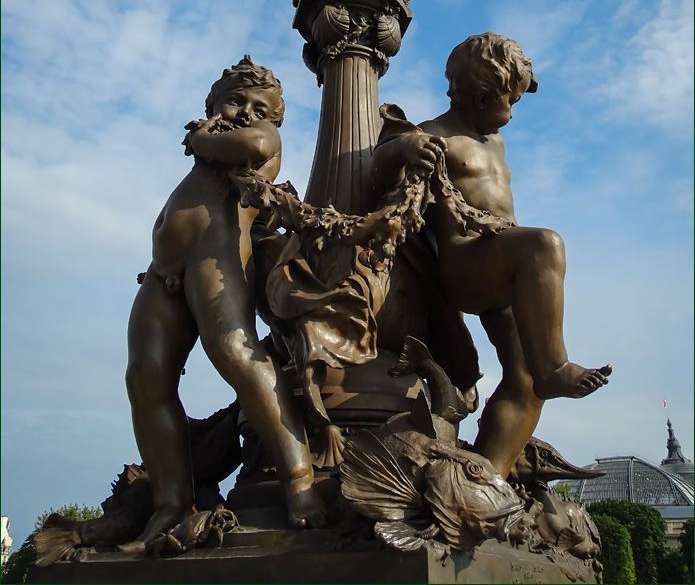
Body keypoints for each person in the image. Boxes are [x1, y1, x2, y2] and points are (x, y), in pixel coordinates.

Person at [371, 33, 611, 477]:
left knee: (525, 380)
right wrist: (403, 148)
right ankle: (555, 365)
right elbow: (375, 165)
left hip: (507, 265)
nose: (512, 113)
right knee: (546, 243)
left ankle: (487, 480)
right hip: (465, 264)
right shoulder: (434, 135)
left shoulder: (494, 143)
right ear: (482, 95)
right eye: (510, 101)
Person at [122, 56, 325, 550]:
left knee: (236, 351)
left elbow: (253, 143)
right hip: (162, 276)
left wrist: (199, 138)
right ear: (211, 104)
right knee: (145, 376)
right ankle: (172, 502)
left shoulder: (255, 146)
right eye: (235, 100)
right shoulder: (206, 161)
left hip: (214, 264)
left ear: (274, 121)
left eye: (261, 108)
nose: (246, 112)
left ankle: (299, 480)